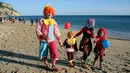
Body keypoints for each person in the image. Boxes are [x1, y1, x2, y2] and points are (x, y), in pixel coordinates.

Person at [36, 4, 63, 72]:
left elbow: (56, 31)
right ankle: (46, 64)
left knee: (54, 52)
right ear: (45, 13)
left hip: (52, 40)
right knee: (44, 53)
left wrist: (59, 40)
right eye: (48, 12)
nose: (49, 14)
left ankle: (53, 65)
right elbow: (37, 30)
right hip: (43, 40)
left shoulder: (53, 21)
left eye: (51, 13)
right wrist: (42, 36)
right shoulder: (41, 21)